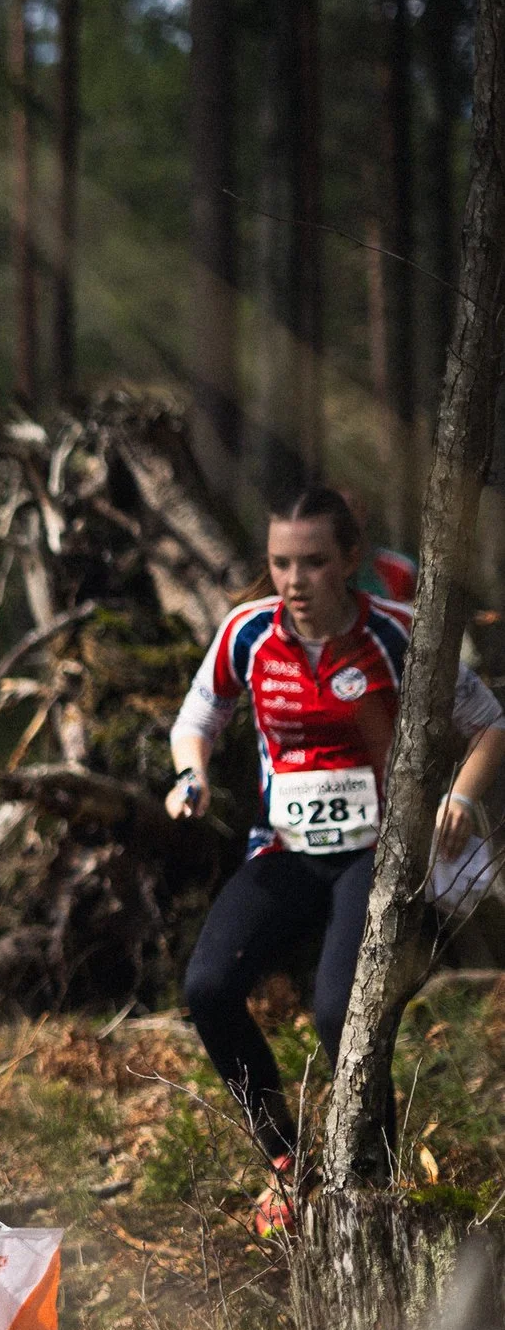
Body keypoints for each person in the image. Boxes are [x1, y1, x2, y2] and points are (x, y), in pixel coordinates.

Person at [168, 485, 505, 1231]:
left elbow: (489, 724)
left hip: (375, 856)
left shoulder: (399, 632)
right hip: (285, 849)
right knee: (208, 986)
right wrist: (191, 774)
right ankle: (285, 1161)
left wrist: (461, 797)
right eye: (281, 563)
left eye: (314, 562)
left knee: (337, 1011)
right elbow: (200, 714)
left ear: (351, 560)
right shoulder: (248, 633)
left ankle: (370, 1175)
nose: (295, 581)